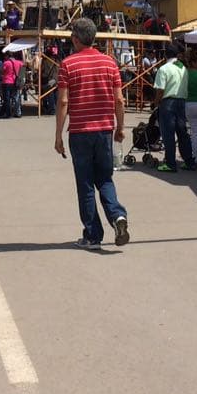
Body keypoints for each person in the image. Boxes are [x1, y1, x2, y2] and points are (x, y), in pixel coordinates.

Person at [54, 17, 129, 249]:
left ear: (76, 38)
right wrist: (120, 127)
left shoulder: (68, 64)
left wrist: (58, 135)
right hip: (104, 130)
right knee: (105, 178)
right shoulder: (110, 63)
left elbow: (63, 102)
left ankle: (93, 235)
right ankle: (117, 216)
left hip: (80, 132)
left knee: (85, 183)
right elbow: (119, 99)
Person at [152, 43, 195, 172]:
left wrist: (156, 102)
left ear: (165, 54)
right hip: (181, 101)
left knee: (168, 134)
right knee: (182, 133)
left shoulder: (164, 69)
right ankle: (188, 161)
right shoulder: (183, 68)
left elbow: (160, 90)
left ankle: (170, 163)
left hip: (168, 102)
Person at [0, 52, 20, 120]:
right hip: (14, 82)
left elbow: (2, 71)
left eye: (5, 56)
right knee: (14, 97)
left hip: (6, 81)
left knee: (6, 98)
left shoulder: (6, 63)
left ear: (7, 56)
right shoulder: (18, 62)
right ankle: (4, 112)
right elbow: (24, 66)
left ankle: (8, 113)